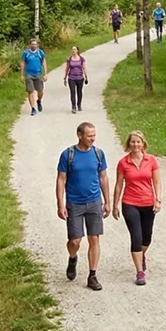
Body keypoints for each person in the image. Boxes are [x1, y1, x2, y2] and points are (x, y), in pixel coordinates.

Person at [56, 122, 110, 291]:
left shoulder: (99, 154)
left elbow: (103, 177)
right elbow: (61, 179)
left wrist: (107, 201)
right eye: (89, 136)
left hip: (94, 201)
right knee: (75, 240)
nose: (92, 139)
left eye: (94, 135)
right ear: (79, 135)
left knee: (94, 239)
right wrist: (60, 204)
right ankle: (73, 258)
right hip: (74, 203)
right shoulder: (68, 155)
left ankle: (92, 275)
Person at [112, 130, 161, 287]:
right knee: (136, 237)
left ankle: (142, 255)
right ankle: (140, 271)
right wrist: (115, 204)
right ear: (128, 144)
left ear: (143, 143)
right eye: (133, 142)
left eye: (138, 142)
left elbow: (157, 182)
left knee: (147, 237)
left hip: (148, 203)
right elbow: (119, 184)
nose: (135, 145)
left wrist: (158, 200)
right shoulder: (123, 163)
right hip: (130, 203)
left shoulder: (151, 160)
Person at [20, 38, 47, 116]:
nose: (34, 45)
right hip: (29, 74)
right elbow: (22, 63)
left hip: (38, 73)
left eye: (35, 44)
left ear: (37, 45)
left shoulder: (40, 52)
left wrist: (45, 73)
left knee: (40, 91)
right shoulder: (26, 53)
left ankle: (39, 101)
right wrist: (21, 75)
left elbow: (44, 62)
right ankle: (33, 108)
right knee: (30, 91)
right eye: (32, 44)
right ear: (29, 45)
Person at [63, 45, 88, 114]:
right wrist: (65, 78)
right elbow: (67, 69)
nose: (73, 51)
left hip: (80, 77)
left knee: (79, 91)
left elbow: (84, 68)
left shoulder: (81, 59)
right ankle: (73, 106)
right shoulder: (69, 59)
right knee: (72, 92)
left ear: (77, 50)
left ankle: (79, 104)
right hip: (71, 78)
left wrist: (86, 76)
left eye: (75, 49)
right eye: (72, 49)